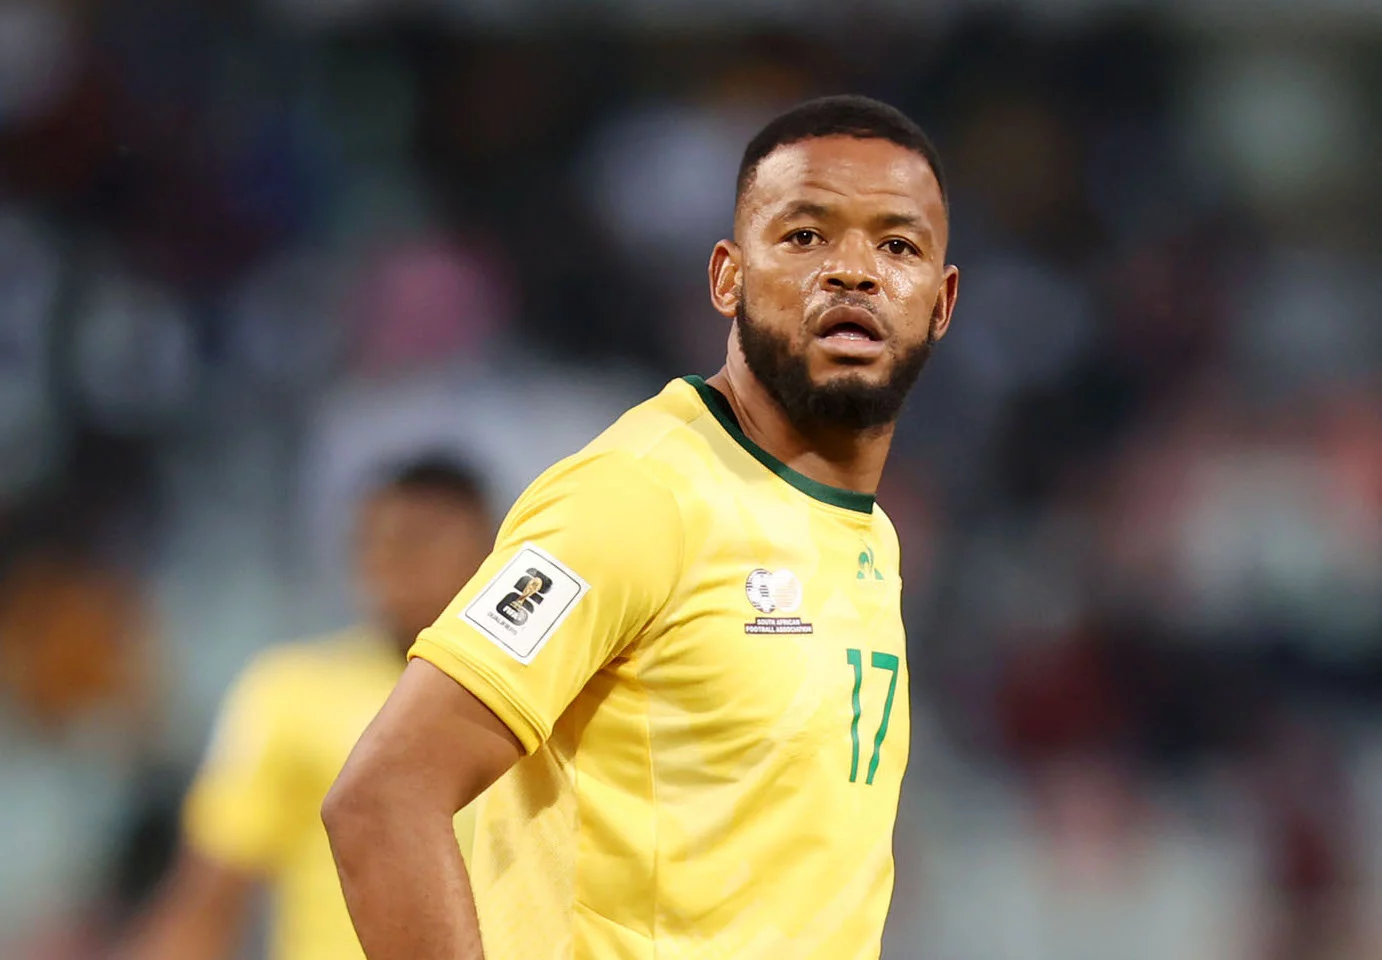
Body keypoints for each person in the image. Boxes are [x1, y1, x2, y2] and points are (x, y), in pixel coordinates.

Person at [323, 94, 960, 960]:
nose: (854, 270)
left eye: (898, 246)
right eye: (806, 236)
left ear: (941, 302)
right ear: (728, 277)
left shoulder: (867, 538)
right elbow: (383, 797)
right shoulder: (636, 498)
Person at [115, 457, 495, 960]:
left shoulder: (532, 696)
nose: (391, 563)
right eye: (373, 542)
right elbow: (208, 900)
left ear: (489, 548)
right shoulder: (291, 692)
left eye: (419, 540)